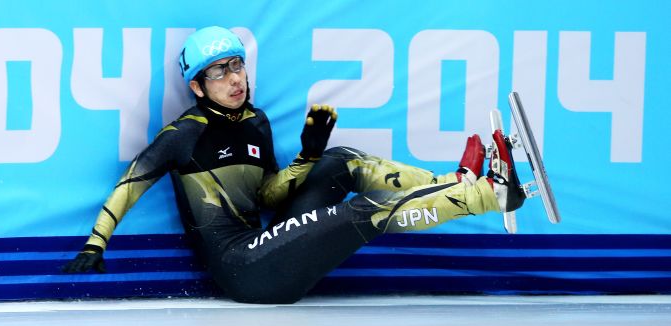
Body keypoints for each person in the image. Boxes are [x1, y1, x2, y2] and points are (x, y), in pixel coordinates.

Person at [63, 26, 525, 304]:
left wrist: (307, 154)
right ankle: (486, 194)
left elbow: (268, 197)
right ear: (198, 87)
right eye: (219, 72)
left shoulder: (256, 122)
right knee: (360, 211)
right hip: (245, 270)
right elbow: (130, 184)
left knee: (340, 160)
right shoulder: (182, 134)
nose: (234, 79)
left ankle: (457, 180)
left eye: (236, 65)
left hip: (272, 243)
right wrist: (95, 244)